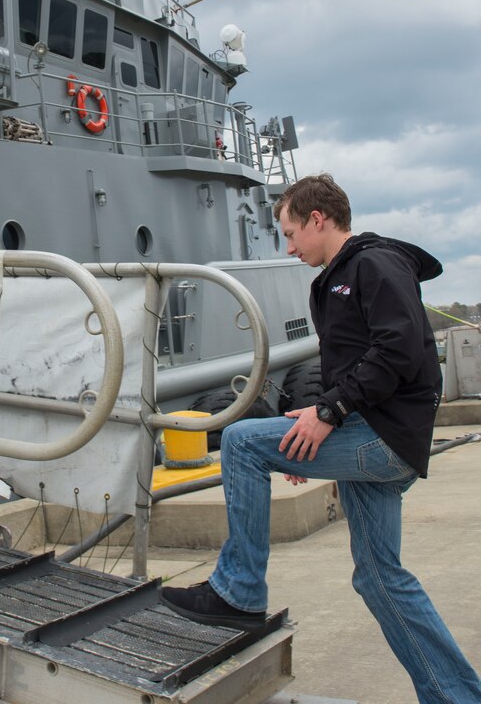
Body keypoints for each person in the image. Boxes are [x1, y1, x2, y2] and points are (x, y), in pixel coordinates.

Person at [161, 173, 481, 704]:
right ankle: (456, 697)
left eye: (290, 234)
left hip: (382, 439)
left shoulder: (373, 265)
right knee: (380, 580)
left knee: (240, 440)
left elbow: (399, 352)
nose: (288, 247)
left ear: (318, 219)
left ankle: (238, 592)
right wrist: (314, 421)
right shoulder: (341, 276)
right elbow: (359, 361)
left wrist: (329, 414)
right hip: (371, 433)